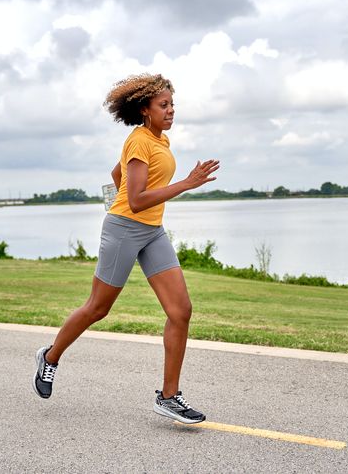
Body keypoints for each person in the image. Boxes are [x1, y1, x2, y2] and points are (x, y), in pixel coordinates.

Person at [33, 73, 220, 424]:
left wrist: (126, 201)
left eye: (172, 104)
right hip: (124, 230)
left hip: (153, 233)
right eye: (163, 105)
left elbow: (117, 176)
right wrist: (186, 184)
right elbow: (134, 200)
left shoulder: (159, 141)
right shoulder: (139, 141)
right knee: (97, 308)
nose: (171, 110)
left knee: (180, 311)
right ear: (145, 109)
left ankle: (168, 397)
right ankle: (51, 357)